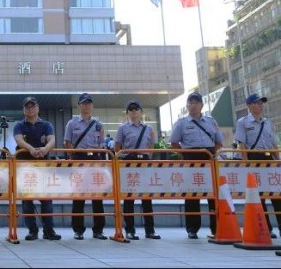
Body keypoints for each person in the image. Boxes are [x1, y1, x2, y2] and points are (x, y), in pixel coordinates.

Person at [169, 92, 222, 239]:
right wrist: (185, 156)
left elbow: (219, 142)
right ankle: (192, 228)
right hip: (191, 158)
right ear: (187, 105)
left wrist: (213, 153)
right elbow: (174, 143)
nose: (193, 105)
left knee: (213, 194)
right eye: (190, 102)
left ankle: (216, 228)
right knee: (192, 193)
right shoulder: (181, 123)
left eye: (196, 102)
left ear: (201, 105)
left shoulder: (211, 121)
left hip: (209, 157)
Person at [13, 96, 61, 241]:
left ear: (38, 108)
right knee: (27, 200)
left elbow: (52, 140)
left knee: (46, 199)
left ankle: (49, 230)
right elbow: (19, 140)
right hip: (24, 168)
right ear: (24, 110)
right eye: (27, 106)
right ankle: (32, 231)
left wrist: (45, 149)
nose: (31, 109)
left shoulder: (46, 124)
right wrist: (31, 149)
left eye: (33, 106)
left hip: (43, 167)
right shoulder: (19, 125)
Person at [234, 93, 280, 238]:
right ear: (249, 106)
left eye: (262, 102)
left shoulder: (268, 122)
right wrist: (247, 164)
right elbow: (242, 145)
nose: (261, 105)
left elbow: (274, 143)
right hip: (254, 159)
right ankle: (267, 228)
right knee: (259, 196)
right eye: (257, 102)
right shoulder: (243, 122)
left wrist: (278, 161)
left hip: (269, 160)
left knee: (276, 195)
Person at [114, 100, 161, 241]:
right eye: (131, 109)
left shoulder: (149, 129)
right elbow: (117, 147)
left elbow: (151, 145)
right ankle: (129, 230)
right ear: (127, 113)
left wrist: (147, 158)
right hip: (129, 164)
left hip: (144, 163)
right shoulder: (122, 128)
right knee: (129, 198)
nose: (134, 111)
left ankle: (150, 230)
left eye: (136, 109)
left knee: (147, 198)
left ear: (141, 112)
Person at [64, 93, 107, 241]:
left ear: (92, 106)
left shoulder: (98, 124)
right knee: (78, 196)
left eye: (89, 103)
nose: (86, 105)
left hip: (94, 159)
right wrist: (73, 159)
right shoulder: (72, 123)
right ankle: (78, 230)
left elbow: (102, 144)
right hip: (79, 159)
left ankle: (98, 230)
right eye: (84, 103)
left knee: (97, 197)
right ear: (79, 106)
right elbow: (67, 143)